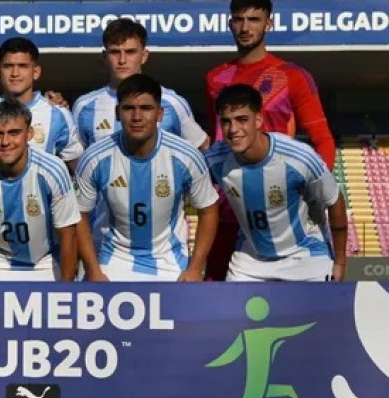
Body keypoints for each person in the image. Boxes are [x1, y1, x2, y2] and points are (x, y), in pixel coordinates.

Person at [205, 0, 336, 281]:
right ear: (230, 24)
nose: (245, 27)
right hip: (230, 206)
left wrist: (310, 192)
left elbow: (322, 140)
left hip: (281, 205)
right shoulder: (215, 78)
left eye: (254, 19)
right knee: (216, 301)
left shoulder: (293, 77)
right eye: (239, 20)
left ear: (268, 24)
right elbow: (216, 139)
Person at [75, 74, 219, 281]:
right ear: (117, 113)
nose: (137, 117)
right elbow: (79, 215)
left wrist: (195, 267)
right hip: (114, 261)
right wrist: (93, 270)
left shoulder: (186, 156)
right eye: (128, 108)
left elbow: (209, 209)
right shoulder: (95, 157)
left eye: (146, 108)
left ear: (160, 114)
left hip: (170, 262)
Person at [205, 84, 346, 281]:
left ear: (259, 120)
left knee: (321, 311)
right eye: (226, 122)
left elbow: (335, 200)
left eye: (242, 120)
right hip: (250, 261)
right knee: (231, 311)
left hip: (305, 257)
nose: (233, 129)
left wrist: (339, 263)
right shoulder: (215, 159)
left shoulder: (299, 157)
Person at [0, 99, 79, 281]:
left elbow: (68, 234)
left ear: (29, 133)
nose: (6, 142)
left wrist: (67, 292)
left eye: (14, 133)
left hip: (45, 262)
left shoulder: (53, 170)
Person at [72, 18, 208, 150]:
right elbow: (76, 158)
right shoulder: (84, 106)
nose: (122, 60)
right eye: (115, 52)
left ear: (144, 56)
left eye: (130, 52)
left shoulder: (172, 102)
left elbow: (202, 147)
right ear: (104, 57)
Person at [0, 37, 83, 172]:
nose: (15, 73)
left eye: (23, 66)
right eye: (8, 66)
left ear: (36, 72)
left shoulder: (57, 114)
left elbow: (77, 167)